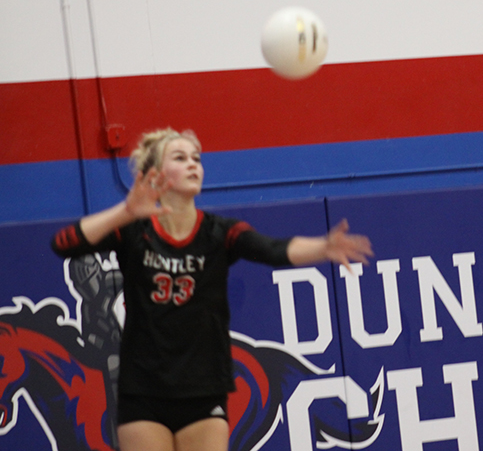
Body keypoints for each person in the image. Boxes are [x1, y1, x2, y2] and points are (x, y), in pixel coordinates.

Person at [51, 128, 373, 451]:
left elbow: (273, 249)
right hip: (143, 393)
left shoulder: (220, 232)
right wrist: (126, 211)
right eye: (180, 158)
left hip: (203, 391)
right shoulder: (134, 231)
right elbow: (64, 244)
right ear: (156, 174)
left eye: (197, 159)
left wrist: (322, 247)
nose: (193, 165)